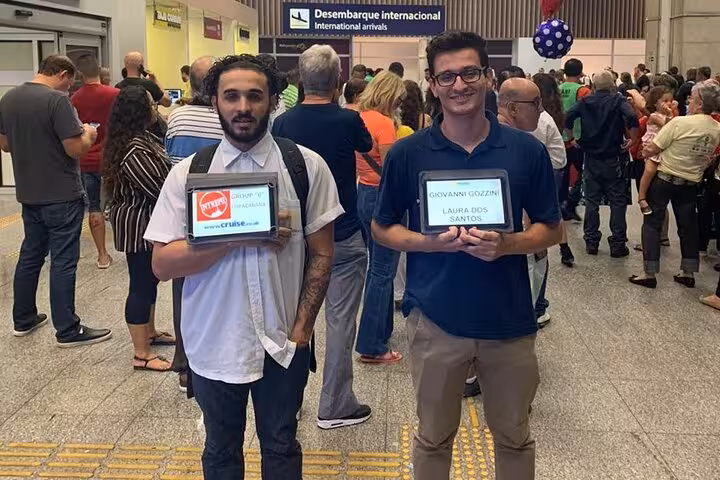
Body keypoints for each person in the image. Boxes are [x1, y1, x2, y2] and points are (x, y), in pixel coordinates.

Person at [372, 31, 562, 480]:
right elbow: (382, 227)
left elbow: (553, 228)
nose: (460, 85)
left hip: (509, 319)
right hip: (436, 318)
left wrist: (508, 244)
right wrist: (429, 242)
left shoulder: (524, 150)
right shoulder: (407, 153)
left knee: (514, 436)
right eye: (448, 76)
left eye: (470, 73)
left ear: (489, 78)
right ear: (434, 84)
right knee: (434, 436)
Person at [145, 54, 343, 479]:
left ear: (273, 101)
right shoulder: (187, 176)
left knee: (281, 447)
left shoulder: (306, 167)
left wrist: (302, 330)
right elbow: (161, 264)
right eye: (231, 96)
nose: (243, 107)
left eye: (255, 96)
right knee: (219, 452)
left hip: (282, 345)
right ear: (214, 101)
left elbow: (322, 254)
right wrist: (238, 235)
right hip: (213, 344)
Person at [272, 44, 374, 430]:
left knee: (294, 319)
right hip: (342, 232)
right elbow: (366, 147)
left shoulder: (283, 123)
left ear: (300, 79)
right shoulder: (348, 120)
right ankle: (334, 404)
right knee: (340, 322)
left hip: (296, 237)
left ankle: (288, 401)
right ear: (337, 81)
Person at [0, 54, 112, 346]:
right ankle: (67, 329)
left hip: (29, 193)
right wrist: (88, 133)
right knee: (63, 260)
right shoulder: (57, 101)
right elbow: (75, 149)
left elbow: (5, 144)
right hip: (61, 193)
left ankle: (23, 319)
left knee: (30, 255)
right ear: (62, 74)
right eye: (69, 83)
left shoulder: (9, 98)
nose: (69, 88)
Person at [164, 55, 224, 391]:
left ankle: (184, 360)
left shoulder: (177, 118)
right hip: (222, 212)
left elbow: (169, 157)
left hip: (186, 215)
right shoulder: (225, 119)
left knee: (183, 288)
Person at [104, 86, 174, 371]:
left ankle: (150, 331)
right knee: (141, 285)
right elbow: (157, 188)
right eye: (151, 106)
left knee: (150, 281)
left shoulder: (140, 139)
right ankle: (141, 354)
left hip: (147, 223)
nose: (155, 110)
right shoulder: (134, 149)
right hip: (138, 224)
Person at [630, 82, 720, 289]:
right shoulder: (716, 129)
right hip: (691, 182)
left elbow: (653, 148)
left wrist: (644, 152)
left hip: (665, 178)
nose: (688, 101)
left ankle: (649, 272)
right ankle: (688, 271)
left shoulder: (679, 123)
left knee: (652, 223)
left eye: (692, 98)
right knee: (688, 227)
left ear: (699, 102)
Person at [497, 77, 563, 331]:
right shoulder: (527, 150)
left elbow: (551, 227)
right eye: (535, 103)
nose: (541, 109)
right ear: (513, 108)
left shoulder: (530, 149)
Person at [354, 71, 406, 365]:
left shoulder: (359, 118)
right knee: (383, 271)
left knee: (377, 267)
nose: (400, 102)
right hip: (383, 200)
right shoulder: (385, 124)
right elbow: (392, 170)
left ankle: (380, 332)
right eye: (398, 97)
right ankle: (372, 344)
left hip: (364, 194)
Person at [565, 70, 639, 257]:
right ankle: (618, 243)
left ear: (594, 85)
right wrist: (633, 139)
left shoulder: (585, 101)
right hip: (614, 158)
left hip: (591, 157)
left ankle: (591, 241)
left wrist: (572, 137)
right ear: (612, 85)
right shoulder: (618, 100)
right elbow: (631, 117)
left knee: (592, 201)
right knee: (617, 201)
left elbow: (568, 117)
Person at [71, 54, 118, 270]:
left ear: (79, 74)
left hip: (86, 161)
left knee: (94, 207)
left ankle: (102, 255)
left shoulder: (74, 100)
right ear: (99, 70)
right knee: (121, 203)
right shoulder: (115, 95)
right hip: (113, 159)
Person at [533, 72, 574, 268]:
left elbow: (536, 148)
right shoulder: (554, 110)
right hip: (557, 164)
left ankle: (540, 250)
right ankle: (565, 248)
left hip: (551, 166)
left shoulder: (540, 118)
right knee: (554, 208)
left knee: (542, 211)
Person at [560, 58, 592, 222]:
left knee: (563, 174)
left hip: (559, 138)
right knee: (582, 173)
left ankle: (562, 204)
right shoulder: (583, 91)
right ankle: (571, 204)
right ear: (581, 72)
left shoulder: (557, 89)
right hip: (577, 138)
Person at [636, 86, 676, 215]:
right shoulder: (654, 116)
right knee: (650, 170)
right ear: (655, 103)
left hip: (664, 148)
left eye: (670, 100)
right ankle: (641, 197)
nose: (668, 104)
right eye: (665, 101)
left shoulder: (671, 116)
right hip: (652, 147)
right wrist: (670, 114)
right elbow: (668, 126)